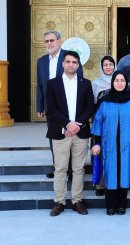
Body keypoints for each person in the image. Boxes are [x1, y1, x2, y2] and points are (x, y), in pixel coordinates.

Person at [91, 71, 130, 216]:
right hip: (108, 144)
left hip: (126, 144)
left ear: (126, 82)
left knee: (124, 172)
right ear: (112, 82)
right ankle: (110, 205)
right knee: (110, 173)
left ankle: (122, 205)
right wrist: (96, 143)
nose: (120, 83)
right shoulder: (105, 100)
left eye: (122, 80)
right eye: (117, 80)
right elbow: (97, 122)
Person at [46, 51, 93, 216]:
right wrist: (67, 124)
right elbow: (51, 109)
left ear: (78, 65)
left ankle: (77, 201)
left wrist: (76, 125)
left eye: (74, 62)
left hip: (80, 133)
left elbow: (89, 107)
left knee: (79, 168)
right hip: (60, 133)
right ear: (63, 64)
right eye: (68, 61)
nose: (71, 64)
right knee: (60, 168)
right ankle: (59, 201)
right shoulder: (52, 84)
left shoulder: (86, 83)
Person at [36, 30, 83, 178]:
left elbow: (79, 80)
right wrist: (40, 105)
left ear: (59, 41)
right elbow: (40, 84)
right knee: (54, 137)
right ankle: (58, 167)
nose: (49, 43)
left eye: (52, 40)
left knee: (70, 136)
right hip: (51, 107)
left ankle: (70, 169)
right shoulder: (42, 61)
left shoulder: (69, 57)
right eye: (47, 41)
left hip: (69, 106)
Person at [91, 55, 116, 196]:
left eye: (110, 64)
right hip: (100, 124)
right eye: (105, 64)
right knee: (99, 153)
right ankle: (100, 185)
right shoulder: (96, 83)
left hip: (117, 125)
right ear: (101, 67)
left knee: (113, 155)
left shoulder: (121, 81)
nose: (108, 67)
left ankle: (113, 183)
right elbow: (92, 105)